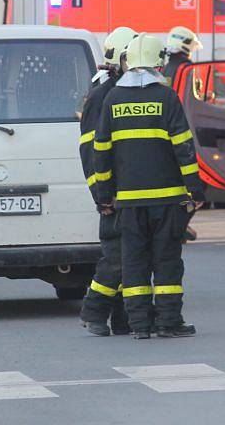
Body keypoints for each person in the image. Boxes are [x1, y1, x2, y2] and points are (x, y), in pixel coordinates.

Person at [94, 33, 206, 339]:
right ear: (159, 62)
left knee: (134, 262)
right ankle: (169, 322)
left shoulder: (113, 99)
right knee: (166, 260)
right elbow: (184, 149)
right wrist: (195, 190)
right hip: (167, 201)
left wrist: (104, 197)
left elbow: (100, 152)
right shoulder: (167, 98)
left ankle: (139, 325)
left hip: (128, 204)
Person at [78, 26, 137, 337]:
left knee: (131, 256)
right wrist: (102, 196)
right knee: (115, 257)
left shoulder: (125, 92)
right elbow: (90, 151)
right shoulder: (102, 96)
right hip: (112, 194)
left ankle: (124, 318)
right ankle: (94, 312)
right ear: (119, 59)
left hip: (131, 192)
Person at [163, 25, 204, 241]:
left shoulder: (166, 68)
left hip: (164, 130)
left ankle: (176, 225)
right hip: (185, 129)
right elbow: (197, 99)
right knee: (197, 181)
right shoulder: (189, 70)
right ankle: (179, 225)